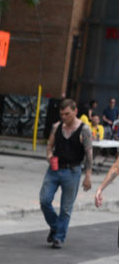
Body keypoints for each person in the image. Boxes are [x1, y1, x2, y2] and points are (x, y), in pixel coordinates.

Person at [40, 98, 92, 248]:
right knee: (44, 200)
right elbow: (49, 147)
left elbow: (89, 154)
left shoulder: (84, 130)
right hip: (54, 169)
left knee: (66, 208)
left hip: (72, 171)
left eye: (67, 114)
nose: (64, 117)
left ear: (75, 111)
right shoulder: (57, 127)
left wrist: (88, 176)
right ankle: (56, 226)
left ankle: (59, 238)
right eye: (61, 114)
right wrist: (49, 156)